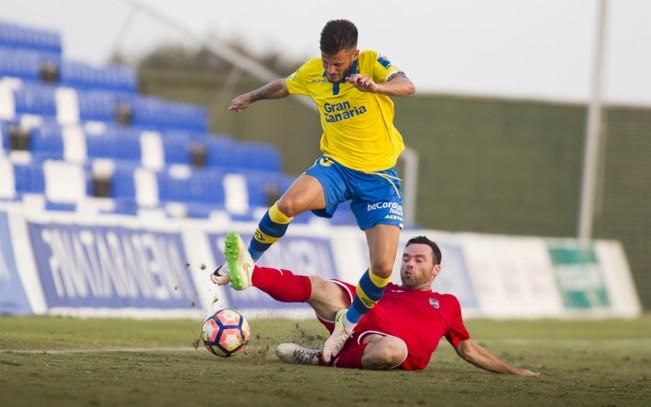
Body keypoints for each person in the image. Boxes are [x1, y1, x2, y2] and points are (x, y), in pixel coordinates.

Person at [220, 19, 416, 362]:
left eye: (337, 64)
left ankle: (347, 323)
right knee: (289, 203)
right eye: (326, 62)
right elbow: (284, 85)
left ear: (354, 54)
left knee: (383, 268)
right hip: (337, 167)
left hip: (379, 179)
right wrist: (251, 96)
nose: (330, 69)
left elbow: (407, 85)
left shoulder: (372, 62)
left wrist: (376, 88)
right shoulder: (316, 72)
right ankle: (248, 261)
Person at [213, 232, 540, 375]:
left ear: (435, 269)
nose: (409, 264)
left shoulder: (448, 304)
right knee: (321, 287)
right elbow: (343, 293)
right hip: (359, 317)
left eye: (419, 260)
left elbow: (468, 350)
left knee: (393, 351)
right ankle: (251, 273)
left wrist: (513, 371)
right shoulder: (383, 289)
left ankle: (321, 359)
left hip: (383, 346)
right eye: (407, 258)